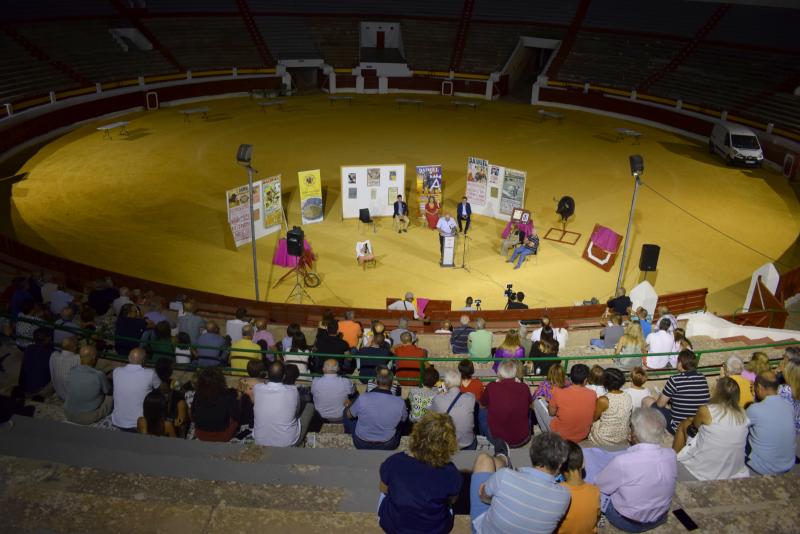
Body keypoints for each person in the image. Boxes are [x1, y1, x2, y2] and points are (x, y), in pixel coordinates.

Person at [593, 408, 677, 532]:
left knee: (591, 484)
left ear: (634, 434)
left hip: (626, 521)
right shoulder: (671, 455)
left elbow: (600, 486)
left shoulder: (622, 462)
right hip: (660, 516)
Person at [469, 432, 571, 533]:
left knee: (484, 459)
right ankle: (503, 459)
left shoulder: (504, 476)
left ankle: (503, 458)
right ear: (560, 464)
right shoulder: (564, 496)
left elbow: (483, 496)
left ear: (532, 454)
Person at [378, 412, 462, 534]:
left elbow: (384, 489)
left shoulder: (394, 461)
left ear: (417, 433)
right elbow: (451, 501)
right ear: (449, 443)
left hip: (394, 526)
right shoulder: (451, 472)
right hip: (434, 529)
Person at [673, 376, 750, 480]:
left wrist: (693, 419)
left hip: (704, 471)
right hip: (733, 469)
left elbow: (694, 427)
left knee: (683, 424)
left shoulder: (706, 410)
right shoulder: (744, 414)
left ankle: (671, 461)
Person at [247, 361, 314, 447]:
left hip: (260, 440)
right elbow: (296, 412)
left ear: (268, 374)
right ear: (284, 376)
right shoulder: (293, 391)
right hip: (287, 442)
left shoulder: (257, 388)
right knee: (310, 406)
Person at [644, 350, 710, 435]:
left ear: (680, 363)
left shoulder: (674, 380)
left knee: (647, 400)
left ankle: (646, 430)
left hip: (678, 427)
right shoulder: (702, 377)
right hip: (697, 427)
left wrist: (663, 396)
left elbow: (660, 404)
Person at [746, 371, 796, 476]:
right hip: (788, 464)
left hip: (763, 467)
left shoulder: (755, 409)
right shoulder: (788, 405)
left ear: (759, 387)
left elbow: (738, 426)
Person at [343, 367, 408, 450]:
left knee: (347, 411)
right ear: (392, 382)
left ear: (376, 382)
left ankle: (347, 433)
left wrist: (349, 407)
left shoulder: (363, 398)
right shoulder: (400, 402)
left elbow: (349, 416)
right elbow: (404, 420)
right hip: (388, 444)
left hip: (361, 443)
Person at [535, 364, 596, 443]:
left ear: (571, 377)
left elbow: (551, 413)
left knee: (537, 401)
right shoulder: (592, 394)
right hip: (582, 435)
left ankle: (548, 436)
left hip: (561, 435)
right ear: (585, 380)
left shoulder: (559, 392)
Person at [481, 361, 532, 448]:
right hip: (522, 438)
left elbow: (483, 404)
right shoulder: (524, 387)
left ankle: (481, 434)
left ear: (499, 373)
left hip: (499, 440)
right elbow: (530, 404)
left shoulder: (491, 386)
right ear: (514, 373)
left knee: (482, 411)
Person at [111, 347, 160, 431]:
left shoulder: (116, 371)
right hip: (139, 424)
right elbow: (160, 389)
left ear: (129, 358)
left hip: (117, 422)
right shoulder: (150, 373)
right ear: (144, 360)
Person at [64, 345, 113, 424]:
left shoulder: (72, 370)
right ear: (94, 357)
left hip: (68, 413)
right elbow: (108, 391)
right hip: (88, 417)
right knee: (110, 395)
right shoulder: (98, 375)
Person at [559, 442, 601, 534]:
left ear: (559, 466)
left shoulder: (557, 491)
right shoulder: (595, 491)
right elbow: (597, 517)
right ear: (583, 464)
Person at [431, 369, 476, 450]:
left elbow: (431, 412)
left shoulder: (438, 399)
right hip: (467, 443)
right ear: (460, 381)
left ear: (446, 383)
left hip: (446, 444)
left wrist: (443, 390)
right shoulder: (471, 398)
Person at [193, 367, 240, 441]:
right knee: (236, 421)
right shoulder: (227, 397)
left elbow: (193, 414)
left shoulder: (197, 395)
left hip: (201, 434)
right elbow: (236, 416)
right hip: (222, 436)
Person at [590, 368, 633, 447]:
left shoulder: (603, 400)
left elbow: (595, 418)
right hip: (623, 437)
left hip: (604, 439)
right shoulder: (628, 396)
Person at [310, 359, 355, 423]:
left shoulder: (315, 381)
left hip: (320, 416)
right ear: (338, 369)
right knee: (355, 397)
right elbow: (353, 392)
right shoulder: (345, 381)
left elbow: (312, 393)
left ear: (323, 369)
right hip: (340, 417)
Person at [20, 327, 54, 397]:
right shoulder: (51, 353)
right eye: (49, 337)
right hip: (39, 389)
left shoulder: (29, 348)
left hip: (24, 387)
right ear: (47, 339)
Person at [49, 336, 80, 400]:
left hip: (59, 391)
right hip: (71, 395)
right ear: (75, 347)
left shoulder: (54, 355)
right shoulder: (77, 358)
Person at [777, 347, 800, 434]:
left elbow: (761, 380)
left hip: (788, 433)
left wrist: (744, 373)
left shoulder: (784, 389)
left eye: (784, 357)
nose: (781, 360)